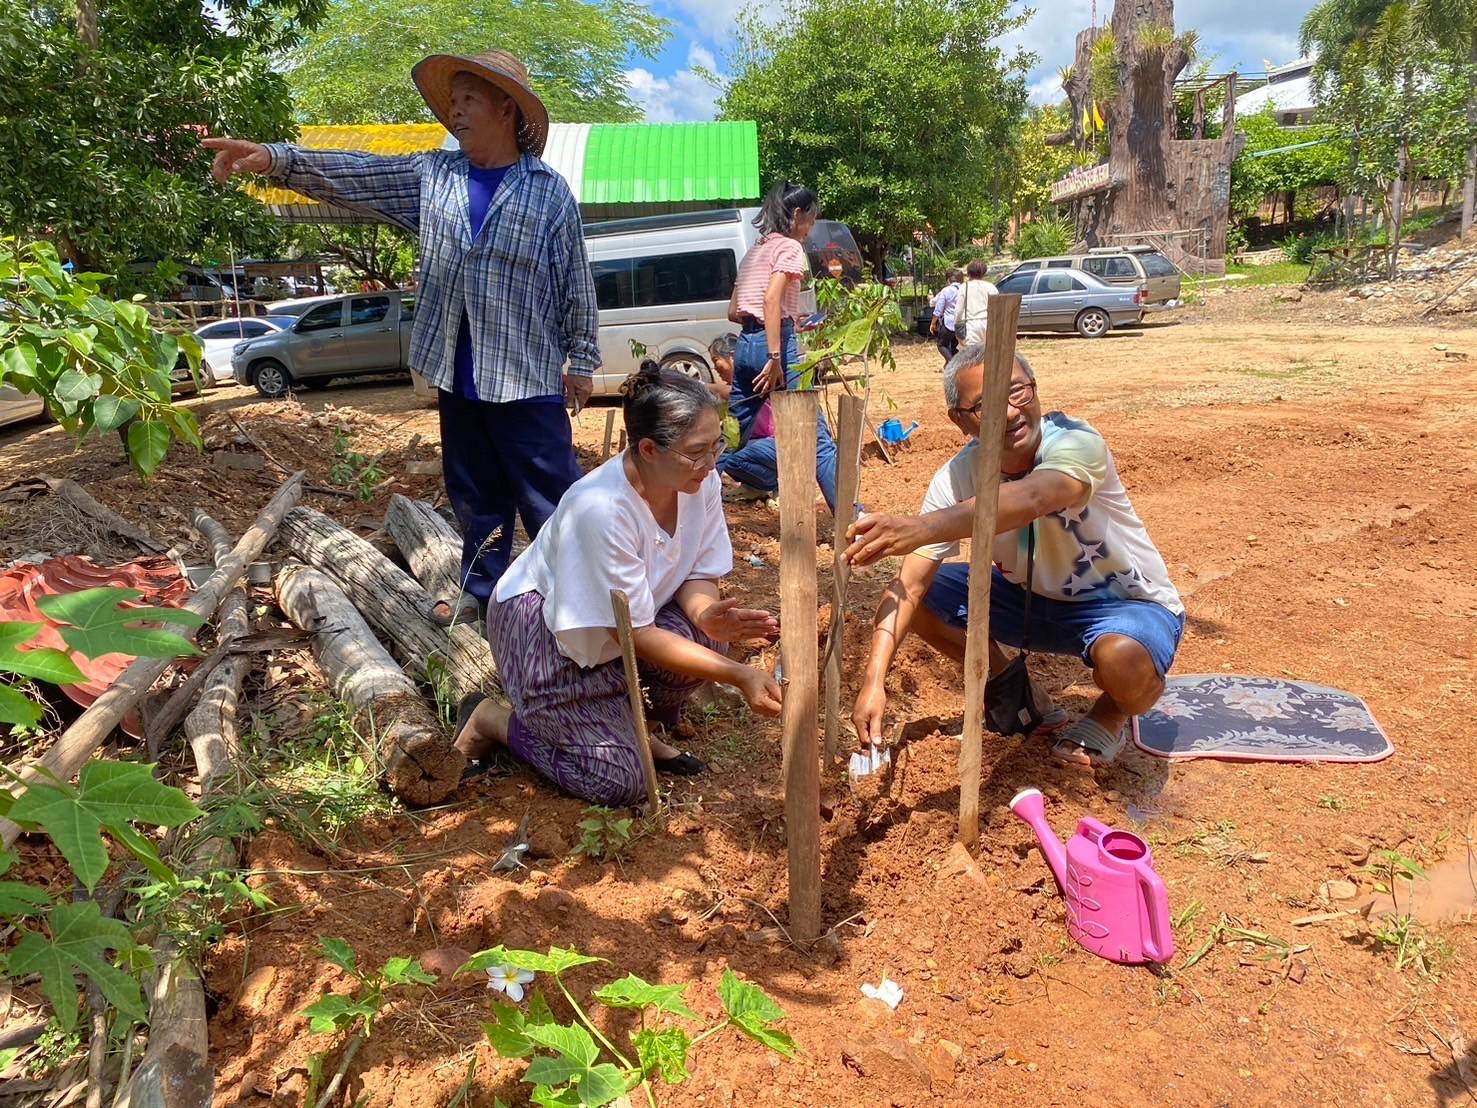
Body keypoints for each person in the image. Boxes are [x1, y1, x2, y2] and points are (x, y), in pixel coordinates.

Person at [202, 50, 598, 607]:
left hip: (525, 373)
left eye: (469, 101)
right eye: (452, 102)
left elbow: (574, 281)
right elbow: (355, 174)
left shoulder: (547, 190)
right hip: (456, 373)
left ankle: (581, 596)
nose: (454, 114)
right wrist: (274, 159)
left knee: (550, 494)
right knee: (475, 491)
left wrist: (581, 360)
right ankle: (482, 593)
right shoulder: (432, 176)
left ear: (506, 107)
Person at [451, 363, 784, 805]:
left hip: (619, 627)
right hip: (544, 630)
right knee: (618, 780)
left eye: (716, 445)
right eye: (697, 451)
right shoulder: (602, 509)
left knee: (705, 639)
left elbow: (697, 570)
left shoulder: (694, 481)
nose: (711, 462)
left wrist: (706, 615)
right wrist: (739, 675)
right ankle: (492, 720)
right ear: (648, 449)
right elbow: (633, 634)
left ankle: (634, 727)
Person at [846, 345, 1184, 767]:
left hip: (1123, 607)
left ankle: (1112, 712)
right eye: (985, 405)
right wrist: (873, 680)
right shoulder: (958, 475)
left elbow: (1035, 496)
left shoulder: (1077, 442)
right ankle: (1011, 682)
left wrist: (922, 528)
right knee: (922, 600)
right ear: (959, 420)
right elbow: (909, 585)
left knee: (1122, 659)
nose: (1009, 413)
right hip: (1029, 602)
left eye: (1018, 393)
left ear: (1035, 389)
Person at [717, 182, 838, 509]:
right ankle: (850, 516)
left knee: (728, 438)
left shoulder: (755, 250)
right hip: (776, 346)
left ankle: (692, 507)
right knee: (818, 439)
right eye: (811, 219)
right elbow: (771, 299)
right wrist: (774, 355)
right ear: (797, 214)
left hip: (745, 344)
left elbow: (733, 310)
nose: (811, 227)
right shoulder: (789, 248)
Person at [955, 260, 999, 346]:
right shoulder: (991, 287)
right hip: (988, 324)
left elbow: (958, 311)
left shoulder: (964, 287)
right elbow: (997, 308)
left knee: (971, 356)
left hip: (971, 326)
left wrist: (957, 324)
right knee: (988, 353)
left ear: (968, 273)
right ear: (984, 273)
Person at [929, 268, 964, 364]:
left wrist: (933, 323)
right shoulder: (965, 289)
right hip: (962, 323)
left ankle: (950, 362)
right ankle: (955, 366)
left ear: (948, 280)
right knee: (956, 346)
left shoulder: (946, 290)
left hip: (949, 324)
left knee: (941, 345)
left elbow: (938, 309)